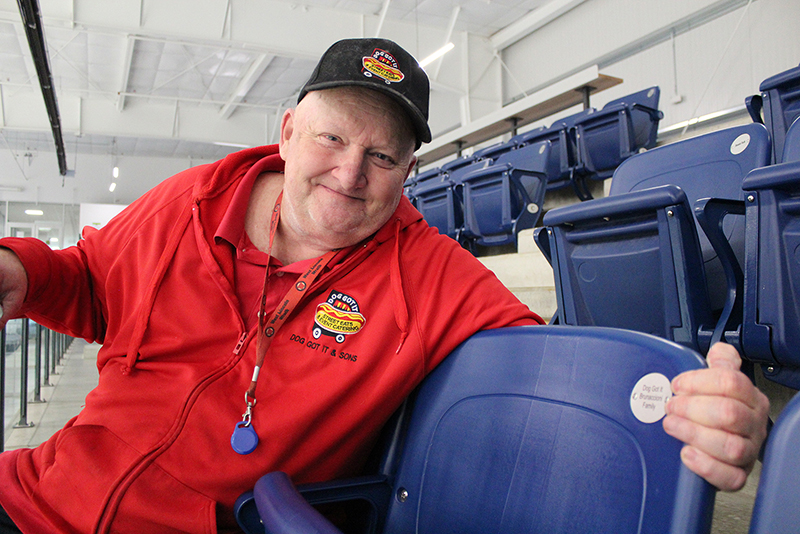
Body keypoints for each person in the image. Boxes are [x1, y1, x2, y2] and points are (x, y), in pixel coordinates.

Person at [0, 38, 768, 533]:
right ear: (288, 130)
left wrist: (698, 407)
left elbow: (563, 375)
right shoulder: (190, 201)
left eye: (383, 155)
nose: (349, 171)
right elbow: (90, 285)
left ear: (409, 171)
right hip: (38, 491)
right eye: (333, 137)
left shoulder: (428, 274)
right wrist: (22, 270)